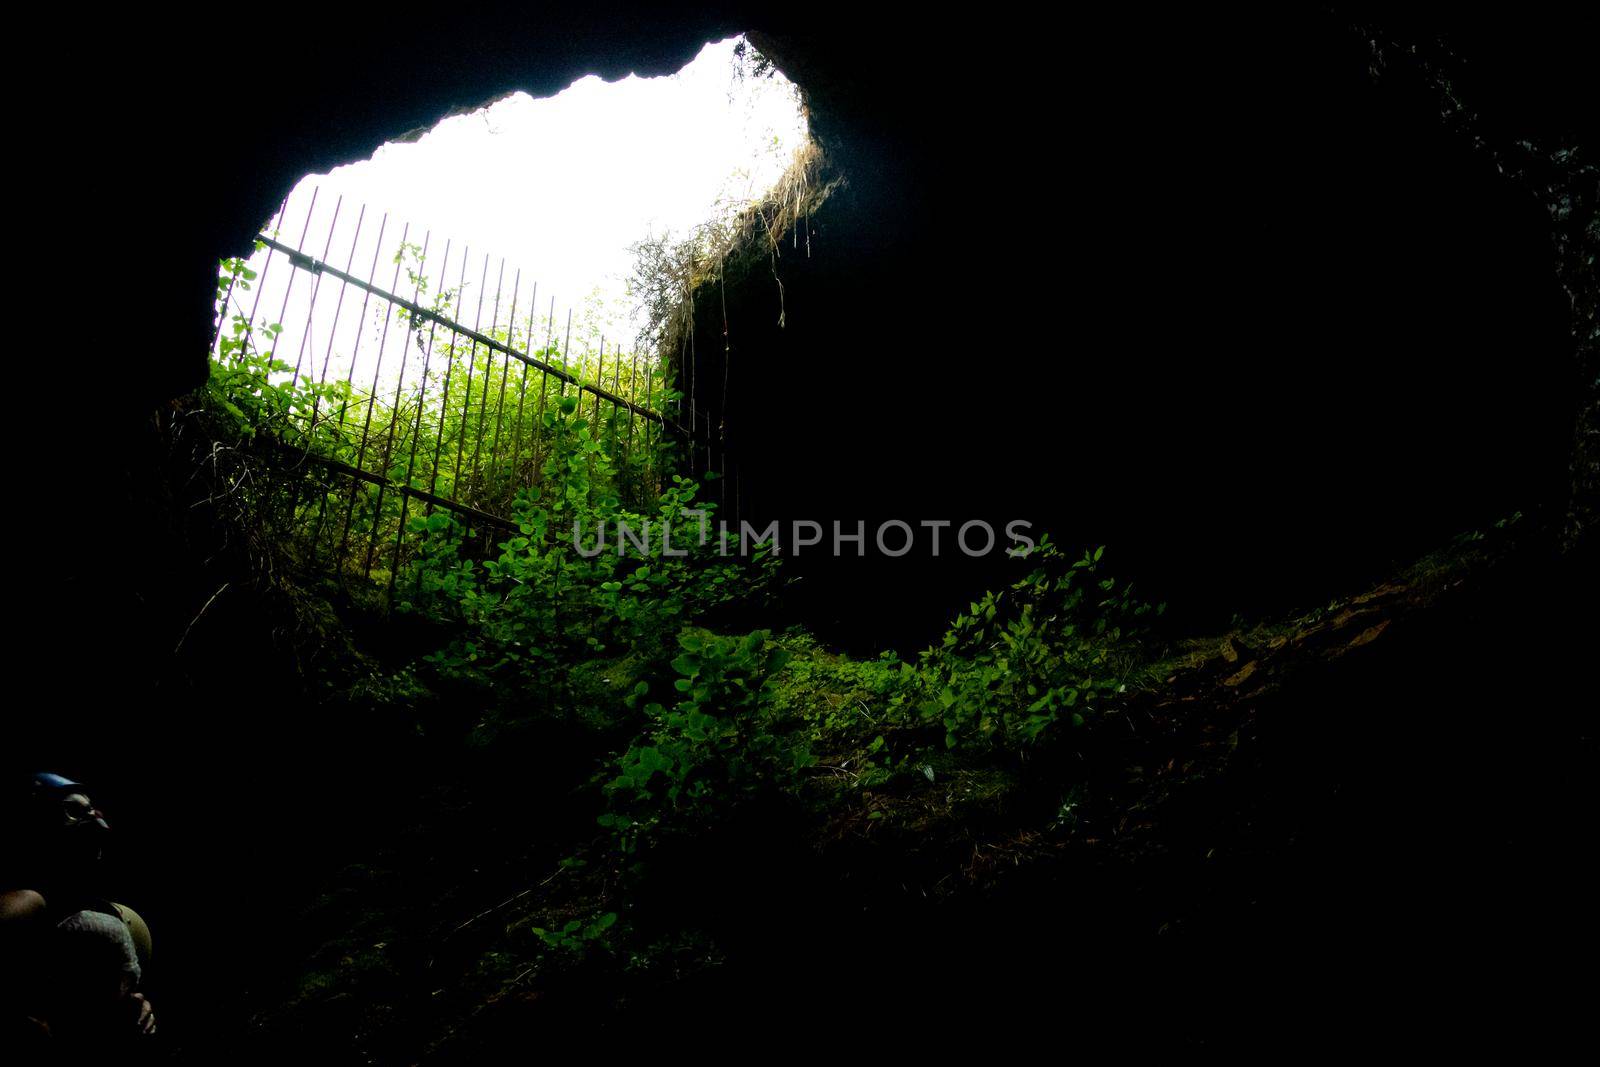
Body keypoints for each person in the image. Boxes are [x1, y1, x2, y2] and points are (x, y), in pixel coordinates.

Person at [1, 772, 156, 1046]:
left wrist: (129, 1005)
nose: (97, 824)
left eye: (92, 812)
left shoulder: (93, 914)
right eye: (73, 810)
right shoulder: (30, 901)